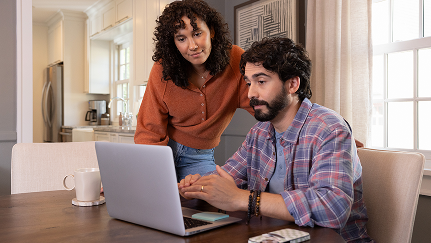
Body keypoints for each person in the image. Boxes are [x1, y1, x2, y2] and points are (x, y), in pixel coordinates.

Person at [178, 37, 373, 242]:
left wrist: (242, 199)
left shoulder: (329, 128)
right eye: (248, 83)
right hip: (271, 237)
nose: (251, 93)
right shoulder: (259, 133)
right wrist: (196, 186)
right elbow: (226, 178)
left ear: (292, 84)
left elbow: (333, 209)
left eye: (261, 81)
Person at [134, 0, 253, 182]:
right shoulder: (162, 69)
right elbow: (149, 130)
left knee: (214, 200)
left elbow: (261, 105)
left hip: (199, 157)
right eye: (181, 39)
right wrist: (145, 175)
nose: (192, 46)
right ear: (173, 42)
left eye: (197, 34)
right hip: (160, 154)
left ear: (211, 31)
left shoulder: (235, 60)